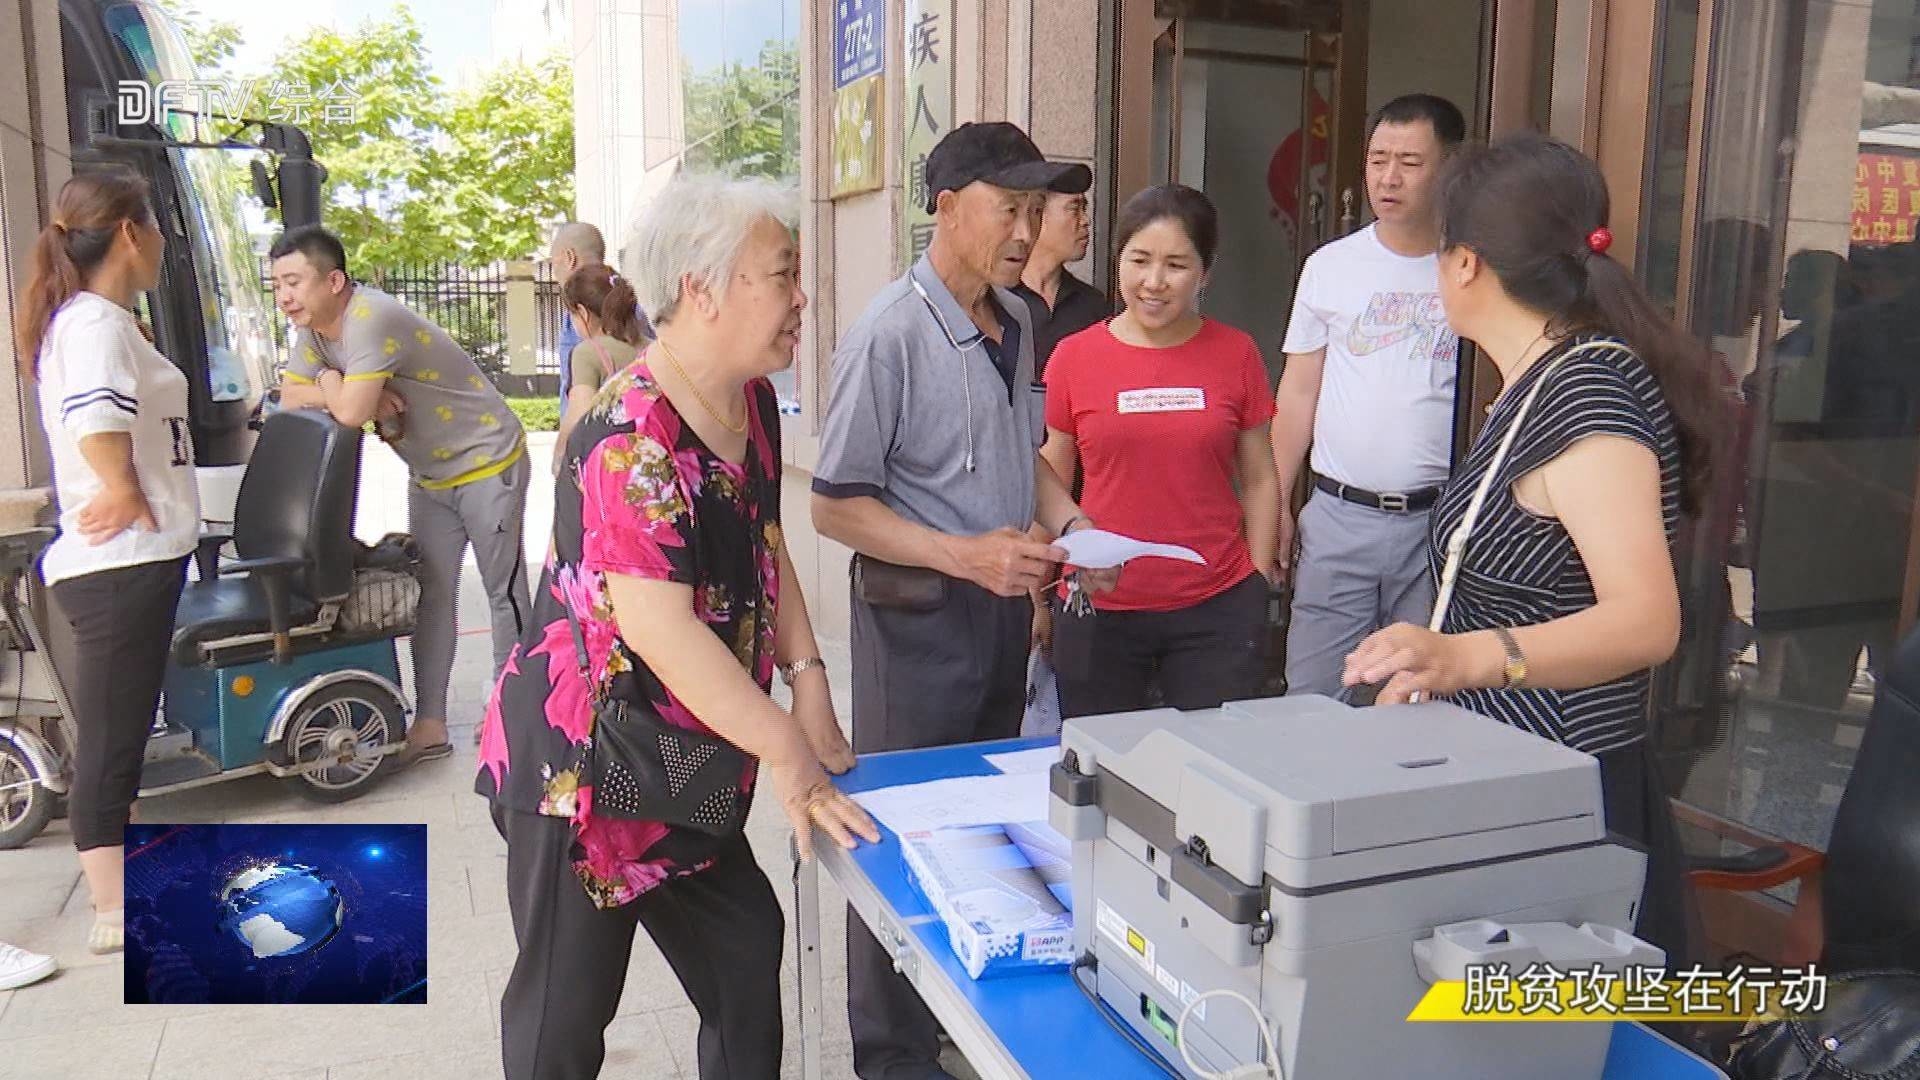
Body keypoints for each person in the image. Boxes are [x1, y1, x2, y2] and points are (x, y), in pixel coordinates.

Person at [475, 174, 875, 1080]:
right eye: (782, 274)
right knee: (564, 1014)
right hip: (583, 760)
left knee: (741, 945)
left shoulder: (754, 403)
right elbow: (660, 629)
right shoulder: (632, 436)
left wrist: (808, 682)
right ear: (702, 287)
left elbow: (764, 541)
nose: (801, 297)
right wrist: (782, 747)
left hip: (682, 746)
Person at [1342, 131, 1722, 966]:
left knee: (1544, 1043)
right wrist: (1425, 657)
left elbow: (1646, 623)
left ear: (1467, 263)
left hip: (1567, 795)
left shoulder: (1589, 392)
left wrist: (1468, 659)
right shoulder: (1536, 379)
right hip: (1505, 777)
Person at [811, 120, 1111, 1080]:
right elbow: (833, 505)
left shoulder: (1017, 322)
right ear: (945, 208)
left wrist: (1072, 526)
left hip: (997, 611)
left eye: (1037, 209)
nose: (1027, 229)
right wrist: (963, 556)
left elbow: (1022, 457)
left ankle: (948, 1006)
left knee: (985, 820)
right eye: (1008, 207)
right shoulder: (889, 333)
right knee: (900, 831)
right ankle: (889, 1052)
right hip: (916, 623)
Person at [15, 172, 197, 954]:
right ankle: (113, 912)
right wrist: (122, 487)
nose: (160, 242)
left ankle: (124, 890)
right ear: (130, 232)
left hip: (131, 563)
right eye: (155, 227)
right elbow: (96, 417)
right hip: (118, 564)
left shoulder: (101, 318)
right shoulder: (92, 323)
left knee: (119, 730)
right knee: (114, 739)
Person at [270, 226, 531, 763]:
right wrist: (334, 382)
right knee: (432, 595)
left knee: (503, 593)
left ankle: (512, 712)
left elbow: (348, 413)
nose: (284, 296)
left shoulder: (369, 317)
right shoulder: (315, 332)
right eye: (277, 285)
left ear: (335, 280)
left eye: (294, 282)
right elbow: (288, 396)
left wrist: (333, 385)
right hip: (430, 475)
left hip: (487, 461)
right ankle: (430, 721)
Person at [1038, 184, 1280, 718]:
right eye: (1139, 260)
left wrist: (1258, 579)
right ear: (1118, 261)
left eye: (1175, 265)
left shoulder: (1236, 353)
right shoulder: (1074, 357)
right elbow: (1052, 469)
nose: (1153, 282)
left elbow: (1260, 475)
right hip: (1099, 603)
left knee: (1210, 773)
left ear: (1204, 273)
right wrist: (1039, 586)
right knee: (1099, 770)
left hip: (1216, 603)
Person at [1271, 93, 1467, 700]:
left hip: (1437, 523)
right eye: (1378, 158)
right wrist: (1274, 500)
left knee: (1419, 702)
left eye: (1409, 161)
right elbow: (1299, 391)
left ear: (1451, 166)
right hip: (1339, 517)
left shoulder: (1471, 270)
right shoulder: (1331, 267)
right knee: (1314, 698)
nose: (1388, 177)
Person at [551, 220, 654, 419]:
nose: (554, 272)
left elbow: (577, 402)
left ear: (569, 258)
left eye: (553, 262)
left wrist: (566, 444)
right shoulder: (633, 302)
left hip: (599, 436)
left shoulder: (579, 315)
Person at [553, 262, 650, 472]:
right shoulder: (655, 348)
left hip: (611, 467)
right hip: (655, 460)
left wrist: (559, 458)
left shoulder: (588, 352)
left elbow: (578, 416)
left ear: (582, 312)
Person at [1013, 187, 1111, 378]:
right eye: (1074, 209)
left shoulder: (1093, 305)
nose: (1086, 221)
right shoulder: (994, 299)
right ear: (1038, 214)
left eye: (1085, 208)